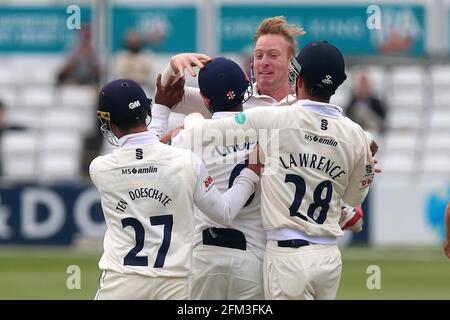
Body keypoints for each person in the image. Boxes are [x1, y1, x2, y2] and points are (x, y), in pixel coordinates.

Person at [183, 41, 376, 300]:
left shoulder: (275, 119)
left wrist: (190, 119)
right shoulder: (356, 135)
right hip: (329, 257)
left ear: (298, 75)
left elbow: (200, 134)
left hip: (288, 253)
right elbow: (353, 199)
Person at [90, 78, 261, 300]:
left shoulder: (100, 169)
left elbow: (144, 155)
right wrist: (250, 173)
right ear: (146, 112)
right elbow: (224, 213)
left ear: (110, 124)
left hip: (121, 282)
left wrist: (162, 110)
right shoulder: (186, 161)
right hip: (174, 285)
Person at [160, 57, 265, 300]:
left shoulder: (189, 137)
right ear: (247, 84)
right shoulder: (268, 130)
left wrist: (173, 65)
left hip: (204, 254)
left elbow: (152, 151)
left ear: (205, 100)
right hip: (252, 255)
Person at [159, 16, 305, 119]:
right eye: (259, 56)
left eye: (273, 55)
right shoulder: (231, 97)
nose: (264, 62)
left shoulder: (305, 103)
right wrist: (173, 66)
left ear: (291, 62)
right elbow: (167, 96)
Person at [345, 71, 388, 140]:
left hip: (373, 129)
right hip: (358, 128)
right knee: (359, 109)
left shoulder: (375, 100)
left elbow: (381, 117)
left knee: (361, 110)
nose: (363, 85)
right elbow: (348, 114)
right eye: (361, 83)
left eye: (364, 83)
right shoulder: (353, 99)